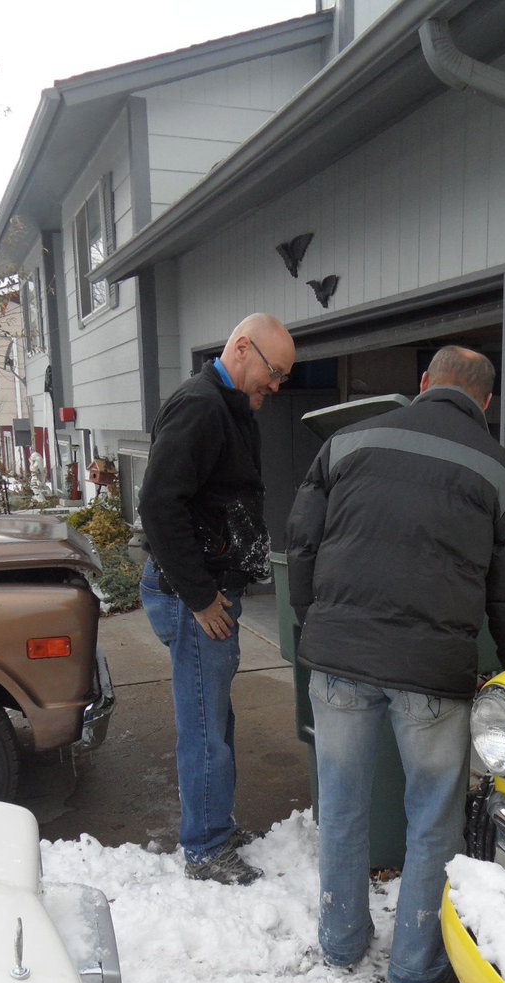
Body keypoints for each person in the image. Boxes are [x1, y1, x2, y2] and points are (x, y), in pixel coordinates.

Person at [285, 345, 505, 983]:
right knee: (434, 819)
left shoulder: (347, 444)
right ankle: (415, 965)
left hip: (339, 658)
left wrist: (316, 624)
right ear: (486, 402)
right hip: (432, 673)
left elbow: (301, 543)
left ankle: (341, 941)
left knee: (342, 804)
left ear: (423, 383)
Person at [139, 313, 295, 885]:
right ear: (243, 347)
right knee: (205, 726)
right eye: (274, 372)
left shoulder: (230, 406)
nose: (275, 385)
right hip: (194, 599)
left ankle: (216, 826)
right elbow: (158, 505)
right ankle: (205, 848)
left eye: (282, 377)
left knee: (216, 718)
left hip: (209, 593)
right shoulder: (201, 407)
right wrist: (201, 597)